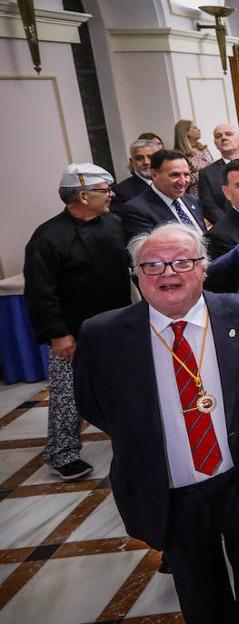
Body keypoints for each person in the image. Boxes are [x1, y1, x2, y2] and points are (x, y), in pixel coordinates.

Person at [73, 223, 239, 624]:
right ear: (135, 274)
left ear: (204, 269)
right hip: (173, 490)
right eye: (151, 265)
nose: (167, 273)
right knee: (200, 596)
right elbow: (94, 405)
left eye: (182, 262)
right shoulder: (104, 334)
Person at [24, 164, 131, 480]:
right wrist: (58, 334)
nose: (111, 195)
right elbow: (41, 292)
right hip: (72, 332)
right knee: (68, 394)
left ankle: (129, 439)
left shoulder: (113, 223)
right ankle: (63, 453)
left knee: (123, 386)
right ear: (83, 196)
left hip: (115, 323)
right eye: (104, 191)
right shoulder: (48, 237)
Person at [118, 149, 207, 239]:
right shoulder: (136, 211)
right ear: (154, 175)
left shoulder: (192, 200)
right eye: (175, 175)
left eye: (186, 174)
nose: (183, 181)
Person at [111, 138, 160, 204]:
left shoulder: (170, 183)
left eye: (151, 157)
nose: (146, 162)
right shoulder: (120, 191)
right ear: (131, 161)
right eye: (139, 158)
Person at [174, 119, 214, 197]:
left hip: (213, 188)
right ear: (186, 132)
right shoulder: (179, 154)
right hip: (197, 194)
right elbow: (183, 177)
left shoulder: (203, 148)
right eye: (195, 128)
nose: (199, 130)